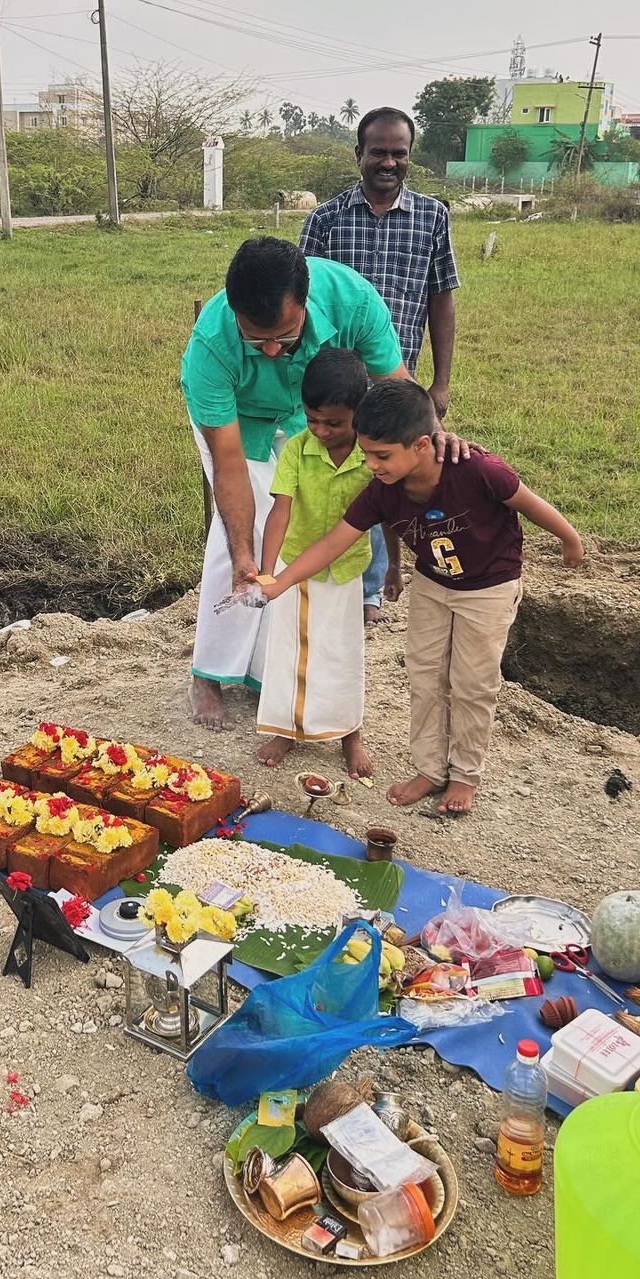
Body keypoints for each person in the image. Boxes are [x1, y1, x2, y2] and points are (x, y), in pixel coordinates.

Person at [260, 379, 585, 816]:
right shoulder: (383, 490)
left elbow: (527, 502)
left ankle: (465, 774)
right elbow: (335, 541)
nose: (370, 464)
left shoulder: (477, 470)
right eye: (366, 453)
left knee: (472, 684)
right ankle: (430, 769)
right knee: (425, 675)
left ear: (421, 446)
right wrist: (279, 582)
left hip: (489, 589)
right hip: (433, 585)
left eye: (381, 456)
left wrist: (570, 539)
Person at [180, 236, 465, 732]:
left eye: (285, 337)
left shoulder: (353, 302)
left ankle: (267, 670)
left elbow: (399, 388)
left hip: (309, 417)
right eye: (256, 341)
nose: (272, 351)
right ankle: (208, 672)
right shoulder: (211, 346)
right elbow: (229, 466)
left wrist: (435, 438)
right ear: (235, 313)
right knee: (239, 541)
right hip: (239, 420)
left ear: (306, 304)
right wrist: (245, 555)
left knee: (301, 529)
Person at [299, 107, 460, 623]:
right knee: (340, 475)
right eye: (378, 153)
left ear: (409, 156)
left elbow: (441, 298)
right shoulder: (325, 220)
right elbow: (298, 300)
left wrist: (439, 383)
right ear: (359, 155)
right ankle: (343, 580)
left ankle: (378, 583)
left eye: (398, 153)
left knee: (391, 473)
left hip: (397, 375)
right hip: (338, 380)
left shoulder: (432, 217)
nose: (388, 162)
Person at [255, 348, 375, 778]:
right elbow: (280, 511)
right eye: (312, 419)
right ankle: (287, 730)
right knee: (290, 651)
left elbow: (389, 516)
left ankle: (350, 734)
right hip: (294, 568)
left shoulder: (371, 457)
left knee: (342, 652)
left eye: (334, 423)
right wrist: (268, 573)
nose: (322, 430)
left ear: (359, 413)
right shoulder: (296, 451)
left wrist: (392, 568)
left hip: (347, 568)